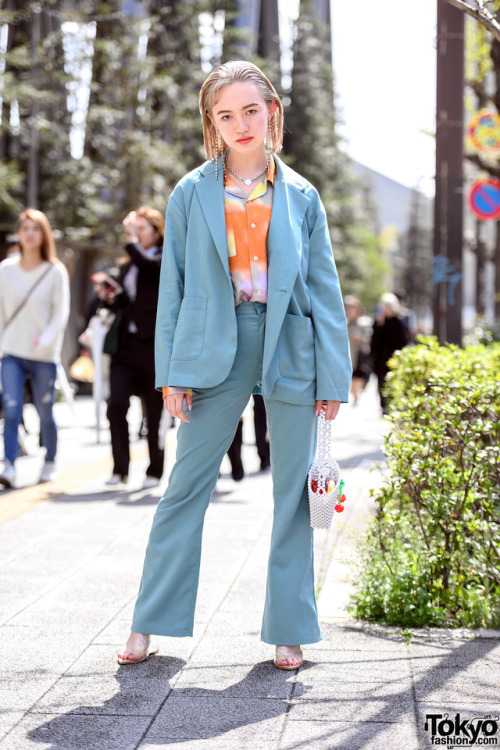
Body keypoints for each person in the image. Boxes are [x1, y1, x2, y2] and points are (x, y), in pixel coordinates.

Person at [118, 61, 352, 670]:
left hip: (290, 345)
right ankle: (149, 620)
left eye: (251, 110)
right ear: (213, 125)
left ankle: (289, 628)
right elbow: (172, 286)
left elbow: (323, 289)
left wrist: (334, 376)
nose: (241, 124)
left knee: (294, 497)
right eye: (226, 115)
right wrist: (171, 372)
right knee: (184, 488)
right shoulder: (189, 192)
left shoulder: (301, 194)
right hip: (209, 350)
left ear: (272, 111)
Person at [0, 209, 70, 488]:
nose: (29, 234)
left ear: (44, 234)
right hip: (12, 352)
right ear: (18, 233)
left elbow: (60, 313)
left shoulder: (55, 271)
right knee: (11, 409)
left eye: (35, 228)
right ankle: (9, 465)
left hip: (43, 355)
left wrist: (47, 341)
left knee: (45, 411)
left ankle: (50, 460)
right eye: (25, 228)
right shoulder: (5, 270)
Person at [105, 207, 165, 489]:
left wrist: (129, 238)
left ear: (156, 230)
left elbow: (147, 265)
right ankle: (120, 468)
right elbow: (126, 301)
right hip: (125, 347)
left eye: (142, 228)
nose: (137, 234)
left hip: (152, 346)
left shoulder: (163, 256)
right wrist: (110, 297)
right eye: (134, 228)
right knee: (116, 404)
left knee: (154, 411)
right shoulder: (128, 264)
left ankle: (155, 470)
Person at [370, 292, 409, 414]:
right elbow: (374, 342)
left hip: (394, 359)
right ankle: (384, 407)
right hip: (380, 360)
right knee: (381, 383)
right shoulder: (378, 322)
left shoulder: (398, 322)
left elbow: (403, 341)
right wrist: (380, 324)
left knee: (393, 383)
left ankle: (393, 405)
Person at [344, 295, 372, 405]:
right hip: (348, 355)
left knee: (358, 376)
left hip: (360, 355)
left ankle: (356, 395)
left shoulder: (364, 322)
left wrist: (361, 339)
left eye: (353, 307)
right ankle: (354, 394)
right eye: (348, 307)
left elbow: (369, 338)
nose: (350, 310)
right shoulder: (344, 323)